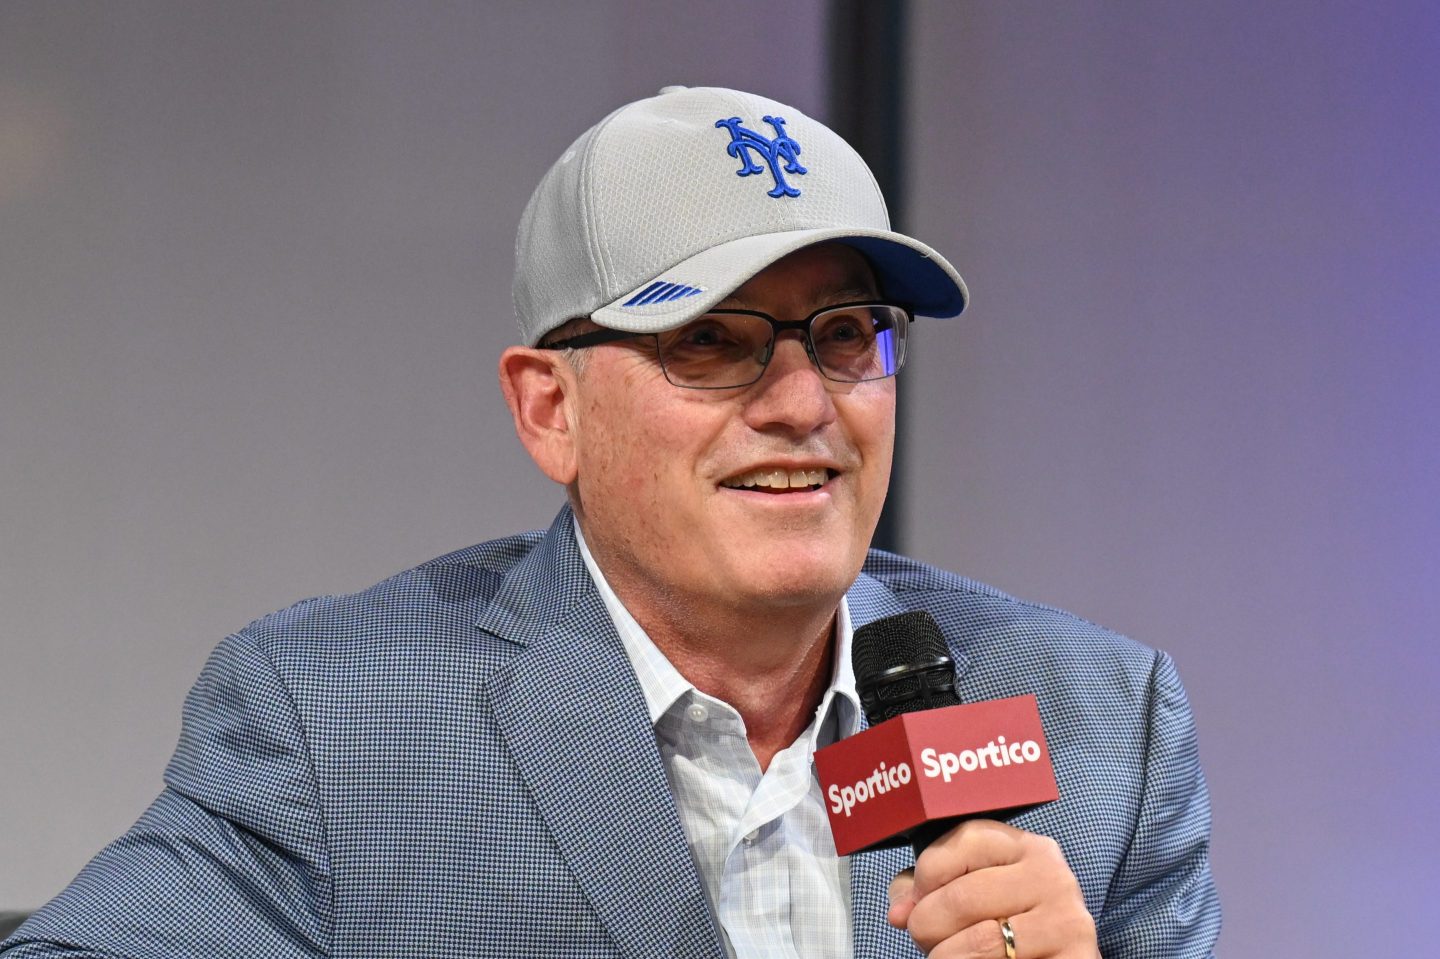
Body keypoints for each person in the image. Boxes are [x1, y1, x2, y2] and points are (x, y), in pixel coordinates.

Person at [2, 86, 1219, 958]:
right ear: (552, 409)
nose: (804, 403)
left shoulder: (1100, 720)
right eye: (713, 341)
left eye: (846, 333)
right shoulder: (335, 721)